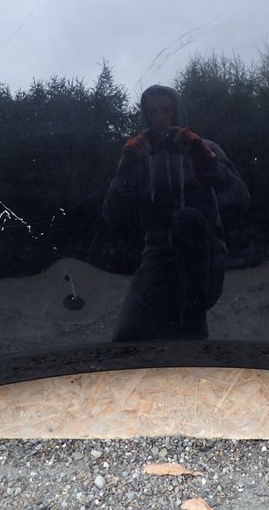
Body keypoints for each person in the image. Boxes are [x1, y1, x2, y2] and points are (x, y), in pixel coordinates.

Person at [103, 85, 249, 341]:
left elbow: (241, 198)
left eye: (166, 110)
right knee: (126, 336)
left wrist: (206, 160)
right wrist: (124, 173)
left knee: (187, 219)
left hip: (206, 262)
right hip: (157, 261)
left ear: (177, 113)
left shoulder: (205, 147)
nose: (159, 118)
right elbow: (112, 217)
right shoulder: (138, 157)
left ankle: (194, 328)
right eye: (152, 112)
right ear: (145, 116)